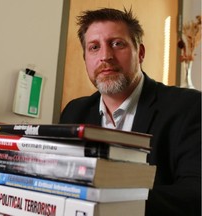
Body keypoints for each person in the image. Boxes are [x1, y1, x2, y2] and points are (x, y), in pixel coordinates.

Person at [59, 8, 201, 216]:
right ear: (86, 58)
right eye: (94, 47)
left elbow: (195, 195)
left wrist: (106, 204)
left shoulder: (189, 107)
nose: (105, 56)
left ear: (140, 52)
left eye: (117, 44)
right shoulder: (74, 111)